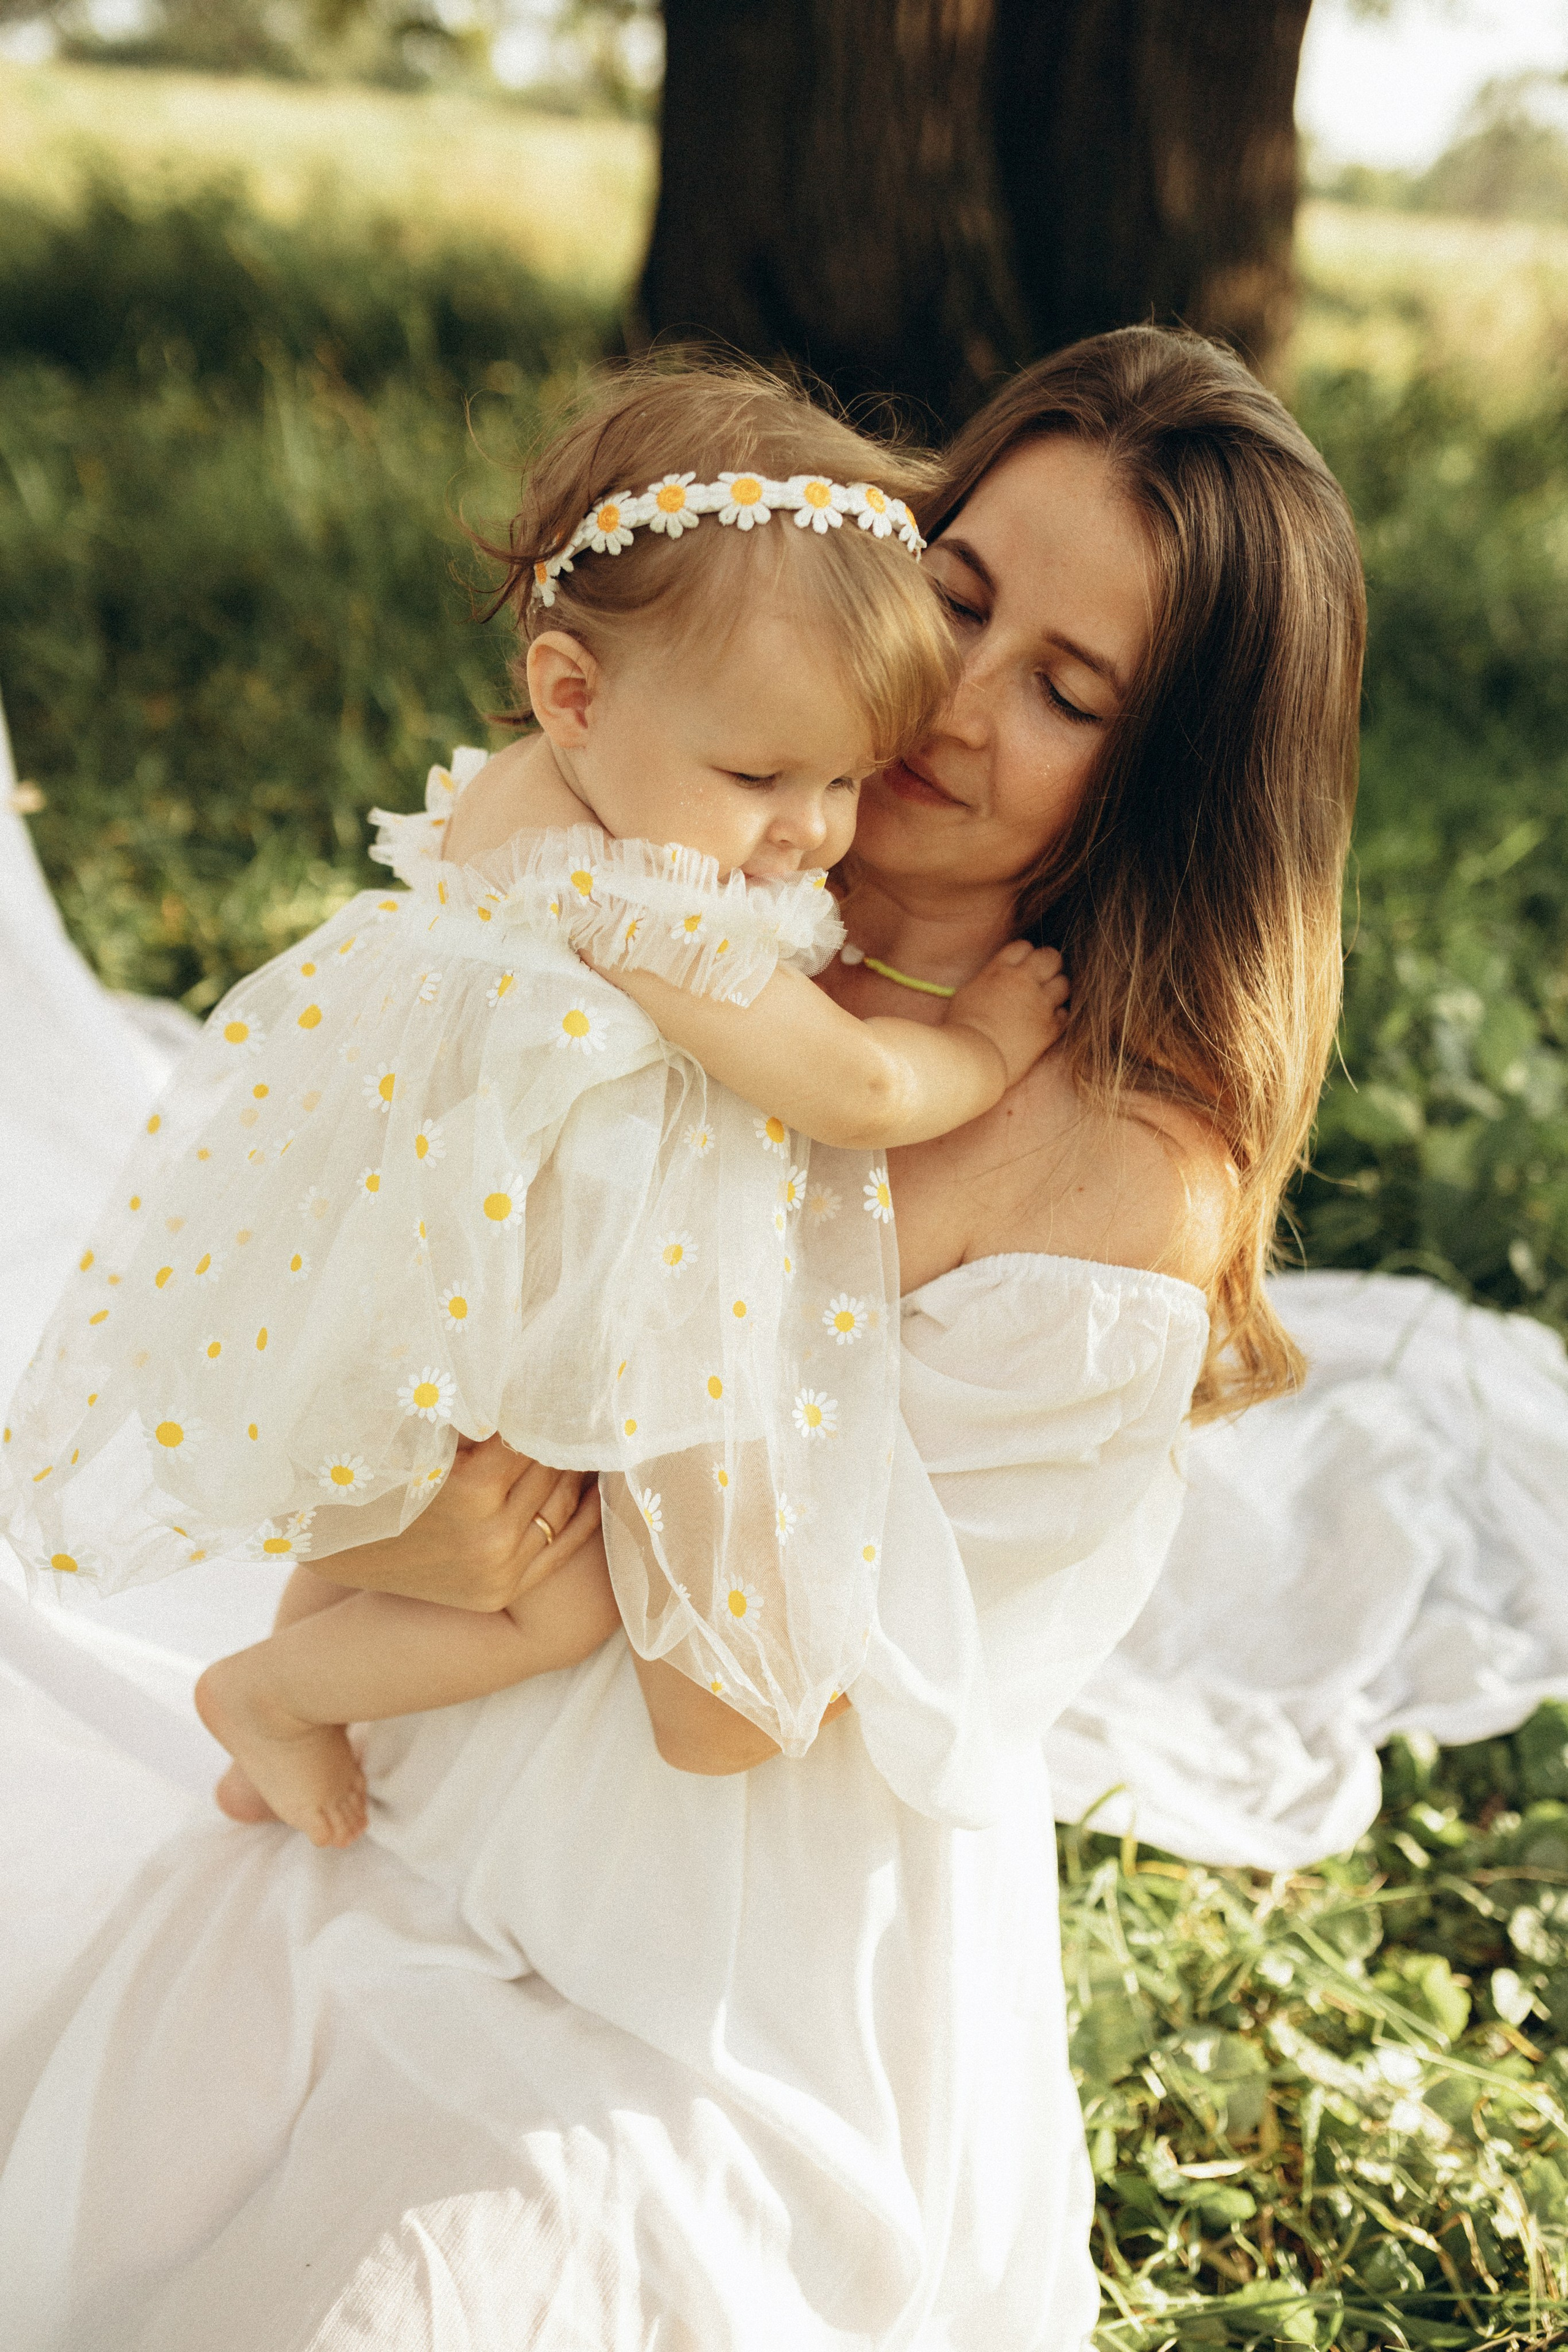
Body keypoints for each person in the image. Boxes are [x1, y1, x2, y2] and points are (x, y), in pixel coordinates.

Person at [0, 325, 1364, 2350]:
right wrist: (393, 1553)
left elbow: (751, 1699)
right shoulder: (665, 852)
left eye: (1070, 693)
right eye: (960, 597)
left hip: (721, 1954)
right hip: (422, 1778)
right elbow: (362, 1351)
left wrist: (573, 1446)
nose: (957, 709)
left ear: (1161, 776)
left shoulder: (1109, 1171)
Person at [0, 365, 1065, 1848]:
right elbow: (857, 1086)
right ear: (572, 691)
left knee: (399, 1532)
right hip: (501, 1309)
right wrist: (993, 1045)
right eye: (761, 771)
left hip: (422, 1276)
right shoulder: (631, 903)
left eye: (843, 778)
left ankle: (294, 1696)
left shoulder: (546, 797)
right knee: (556, 1597)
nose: (809, 833)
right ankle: (276, 1694)